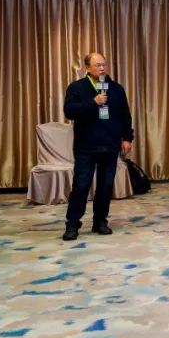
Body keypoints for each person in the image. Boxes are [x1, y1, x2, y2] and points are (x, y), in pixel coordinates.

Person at [62, 52, 134, 241]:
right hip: (86, 146)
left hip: (110, 145)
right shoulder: (77, 88)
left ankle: (100, 221)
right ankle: (72, 223)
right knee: (81, 185)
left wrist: (127, 138)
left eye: (104, 64)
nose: (102, 68)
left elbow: (125, 115)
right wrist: (92, 102)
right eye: (97, 65)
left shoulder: (116, 89)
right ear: (87, 67)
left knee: (106, 185)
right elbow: (69, 111)